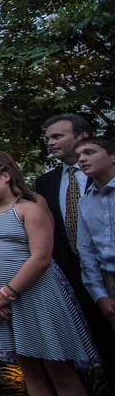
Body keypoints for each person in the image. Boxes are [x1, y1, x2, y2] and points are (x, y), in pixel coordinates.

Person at [0, 156, 97, 396]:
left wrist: (7, 293)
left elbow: (41, 256)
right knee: (31, 372)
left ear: (6, 176)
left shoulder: (29, 207)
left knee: (59, 370)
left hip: (37, 295)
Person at [36, 114, 115, 390]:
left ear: (82, 136)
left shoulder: (100, 180)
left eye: (57, 136)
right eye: (48, 138)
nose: (50, 142)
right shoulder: (45, 183)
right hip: (74, 280)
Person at [76, 137, 115, 329]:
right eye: (78, 156)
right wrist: (100, 295)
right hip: (109, 283)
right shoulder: (85, 202)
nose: (81, 159)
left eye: (89, 153)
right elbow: (86, 250)